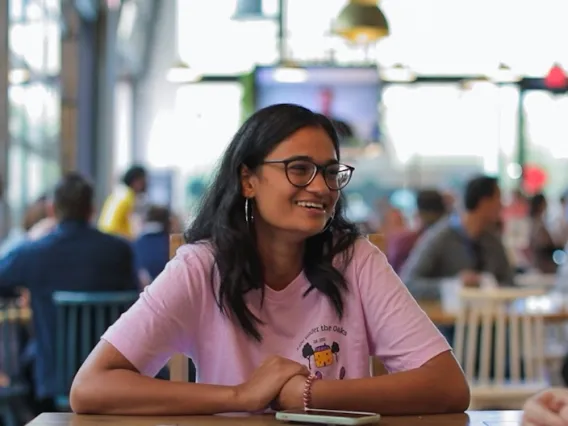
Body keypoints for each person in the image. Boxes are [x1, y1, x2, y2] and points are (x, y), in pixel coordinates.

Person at [70, 104, 469, 416]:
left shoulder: (356, 259)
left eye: (330, 172)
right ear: (248, 180)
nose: (321, 186)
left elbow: (448, 386)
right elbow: (91, 387)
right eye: (299, 169)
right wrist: (242, 396)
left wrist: (310, 394)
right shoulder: (201, 266)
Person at [0, 173, 139, 414]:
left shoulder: (35, 252)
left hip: (55, 380)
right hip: (111, 376)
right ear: (92, 210)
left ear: (51, 209)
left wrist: (30, 237)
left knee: (24, 369)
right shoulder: (119, 251)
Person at [400, 175, 513, 300]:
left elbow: (509, 281)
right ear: (484, 202)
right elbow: (408, 283)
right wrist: (453, 286)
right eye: (498, 199)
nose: (502, 205)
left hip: (489, 316)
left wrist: (489, 284)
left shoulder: (492, 241)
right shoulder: (440, 237)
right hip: (447, 317)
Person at [98, 165, 148, 239]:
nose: (146, 184)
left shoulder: (120, 193)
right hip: (113, 239)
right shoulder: (127, 196)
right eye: (143, 181)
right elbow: (111, 227)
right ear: (136, 181)